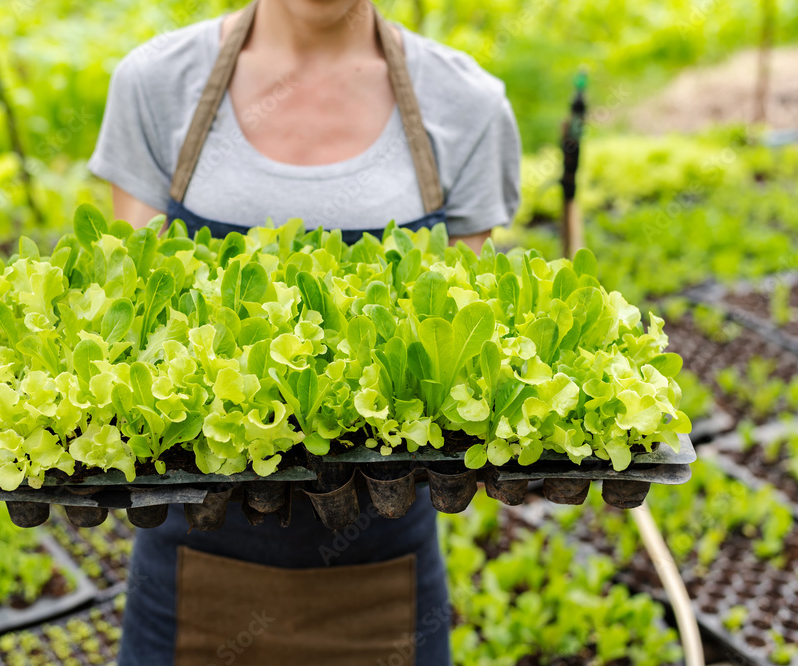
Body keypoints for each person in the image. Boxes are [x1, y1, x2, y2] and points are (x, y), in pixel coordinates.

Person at [88, 0, 521, 662]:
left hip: (385, 582)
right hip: (191, 574)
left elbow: (455, 350)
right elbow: (135, 322)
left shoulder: (466, 104)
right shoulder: (156, 84)